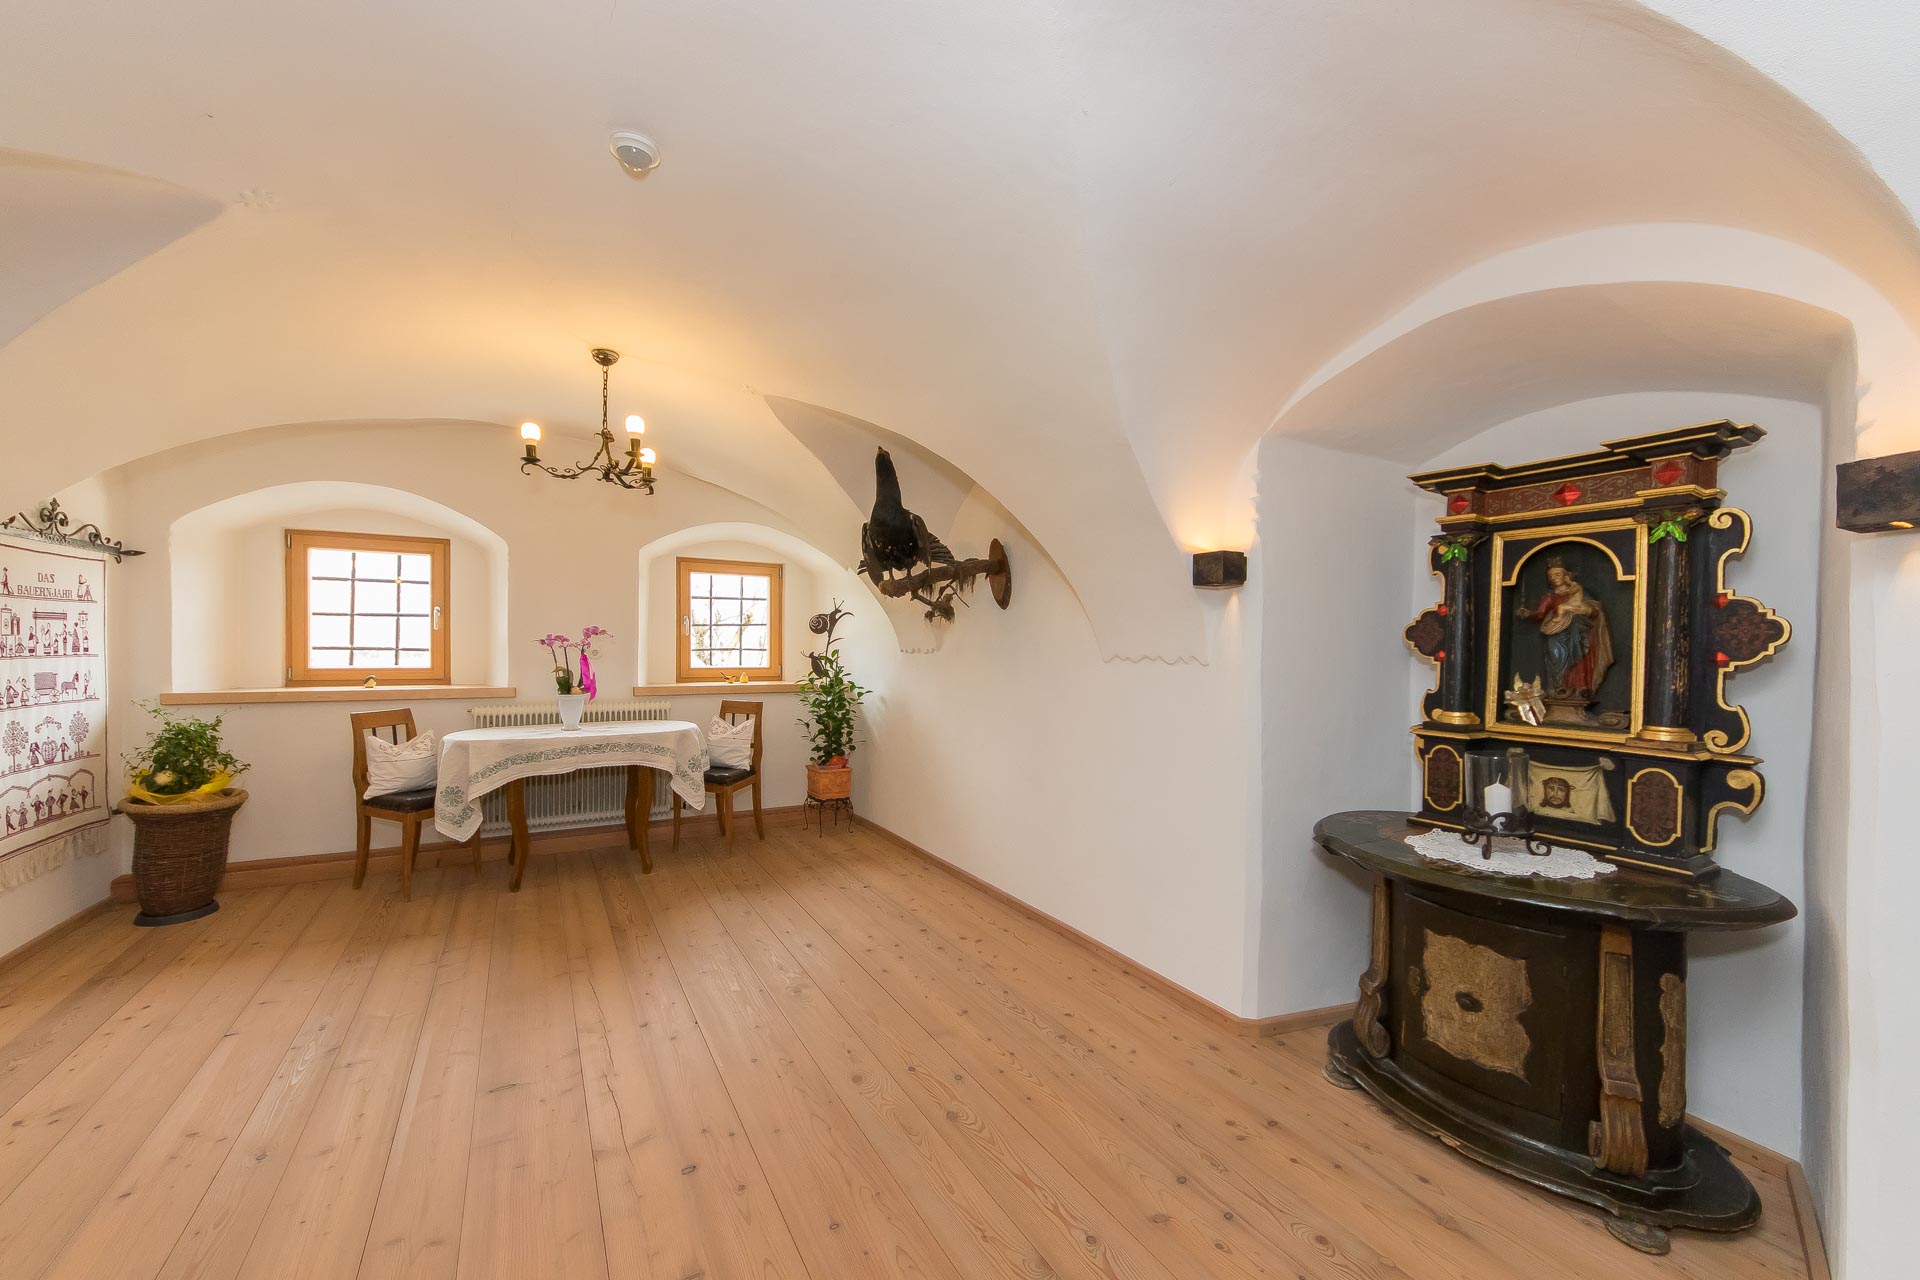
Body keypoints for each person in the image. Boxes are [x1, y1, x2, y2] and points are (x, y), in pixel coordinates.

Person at [1515, 557, 1614, 698]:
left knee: (1578, 656)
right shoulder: (1550, 597)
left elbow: (1594, 612)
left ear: (1566, 575)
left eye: (1557, 574)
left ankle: (1580, 688)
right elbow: (1540, 614)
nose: (1554, 578)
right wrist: (1528, 613)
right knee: (1556, 657)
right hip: (1556, 633)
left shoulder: (1578, 592)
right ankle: (1559, 688)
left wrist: (1584, 611)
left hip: (1577, 632)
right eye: (1550, 576)